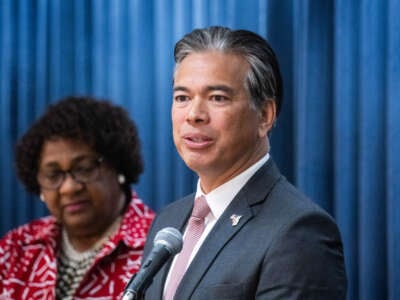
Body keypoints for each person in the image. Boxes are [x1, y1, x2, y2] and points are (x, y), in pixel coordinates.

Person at [141, 26, 347, 299]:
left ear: (264, 115)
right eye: (182, 98)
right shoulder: (168, 222)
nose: (194, 114)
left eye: (217, 98)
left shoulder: (299, 232)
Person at [0, 96, 154, 299]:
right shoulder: (16, 248)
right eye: (53, 175)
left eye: (84, 169)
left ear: (118, 166)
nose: (68, 188)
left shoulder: (158, 249)